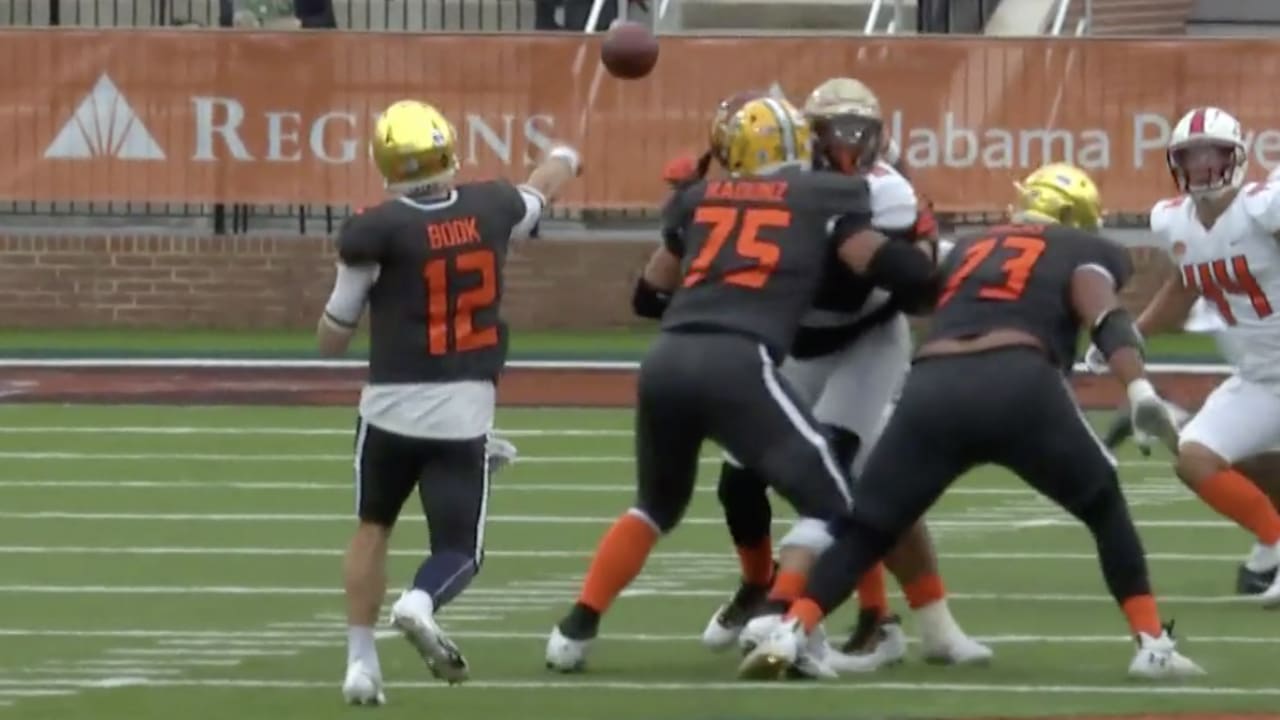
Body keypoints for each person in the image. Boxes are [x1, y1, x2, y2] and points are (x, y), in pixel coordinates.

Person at [740, 162, 1204, 680]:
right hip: (1017, 380)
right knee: (1104, 505)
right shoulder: (1086, 248)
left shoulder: (968, 248)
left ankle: (792, 629)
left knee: (869, 525)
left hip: (932, 384)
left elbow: (920, 295)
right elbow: (1103, 313)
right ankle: (1152, 643)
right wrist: (1137, 386)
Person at [543, 96, 940, 676]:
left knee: (654, 506)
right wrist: (923, 239)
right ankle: (781, 616)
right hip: (740, 362)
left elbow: (648, 296)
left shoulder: (696, 198)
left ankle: (574, 629)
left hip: (667, 360)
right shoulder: (825, 194)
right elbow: (903, 272)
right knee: (834, 498)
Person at [693, 78, 987, 673]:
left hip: (866, 341)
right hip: (795, 342)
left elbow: (915, 281)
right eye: (836, 130)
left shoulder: (887, 190)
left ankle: (791, 611)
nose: (849, 143)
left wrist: (923, 252)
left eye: (860, 130)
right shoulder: (783, 181)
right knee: (742, 479)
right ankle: (772, 590)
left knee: (834, 475)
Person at [317, 99, 581, 704]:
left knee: (372, 528)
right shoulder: (491, 207)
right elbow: (541, 189)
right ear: (446, 149)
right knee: (459, 549)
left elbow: (332, 337)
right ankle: (419, 602)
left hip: (387, 407)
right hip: (462, 408)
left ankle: (360, 664)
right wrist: (566, 156)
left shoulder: (375, 230)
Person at [1086, 107, 1280, 606]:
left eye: (1213, 154)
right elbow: (1183, 287)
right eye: (1190, 156)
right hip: (1260, 379)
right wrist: (1127, 336)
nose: (1201, 165)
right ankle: (1275, 542)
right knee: (1197, 458)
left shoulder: (1263, 208)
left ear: (1237, 157)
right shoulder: (1177, 222)